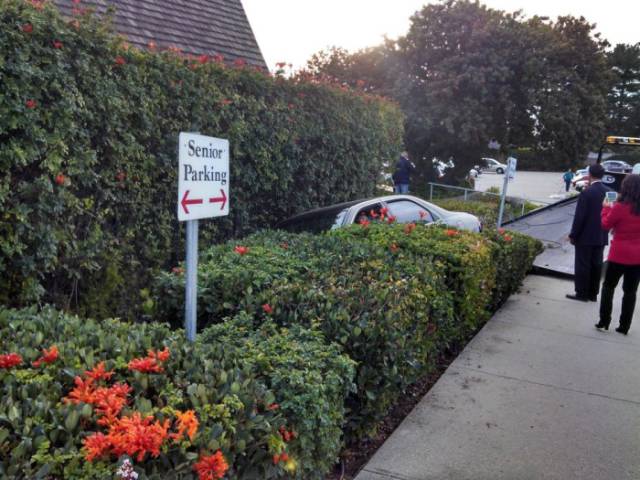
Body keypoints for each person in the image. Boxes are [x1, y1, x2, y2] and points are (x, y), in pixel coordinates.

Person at [595, 174, 640, 334]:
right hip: (637, 257)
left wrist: (606, 207)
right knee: (630, 292)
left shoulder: (620, 207)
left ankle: (604, 321)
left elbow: (605, 224)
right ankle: (624, 326)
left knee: (608, 287)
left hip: (618, 254)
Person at [567, 163, 610, 302]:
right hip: (601, 235)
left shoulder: (586, 192)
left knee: (583, 265)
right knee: (597, 265)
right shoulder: (611, 193)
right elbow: (610, 214)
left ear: (590, 174)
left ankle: (582, 293)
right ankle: (593, 294)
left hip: (585, 236)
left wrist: (573, 234)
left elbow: (580, 217)